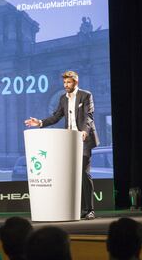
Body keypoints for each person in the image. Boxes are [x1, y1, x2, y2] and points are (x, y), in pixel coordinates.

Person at [25, 70, 99, 220]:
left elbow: (89, 117)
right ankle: (73, 208)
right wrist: (40, 123)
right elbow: (56, 117)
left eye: (69, 82)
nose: (66, 85)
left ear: (75, 82)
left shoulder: (86, 95)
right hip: (68, 141)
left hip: (84, 139)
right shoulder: (63, 99)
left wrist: (84, 131)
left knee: (84, 173)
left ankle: (89, 209)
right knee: (70, 175)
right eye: (64, 82)